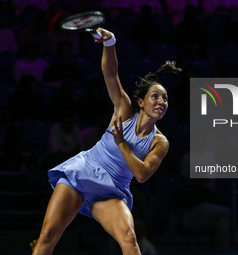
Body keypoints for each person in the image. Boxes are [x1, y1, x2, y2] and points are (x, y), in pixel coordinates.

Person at [32, 27, 181, 255]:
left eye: (165, 98)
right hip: (82, 173)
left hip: (112, 190)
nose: (162, 101)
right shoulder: (123, 110)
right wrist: (109, 43)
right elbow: (111, 74)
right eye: (155, 96)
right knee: (47, 237)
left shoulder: (160, 142)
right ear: (140, 102)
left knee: (129, 239)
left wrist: (122, 142)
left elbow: (141, 175)